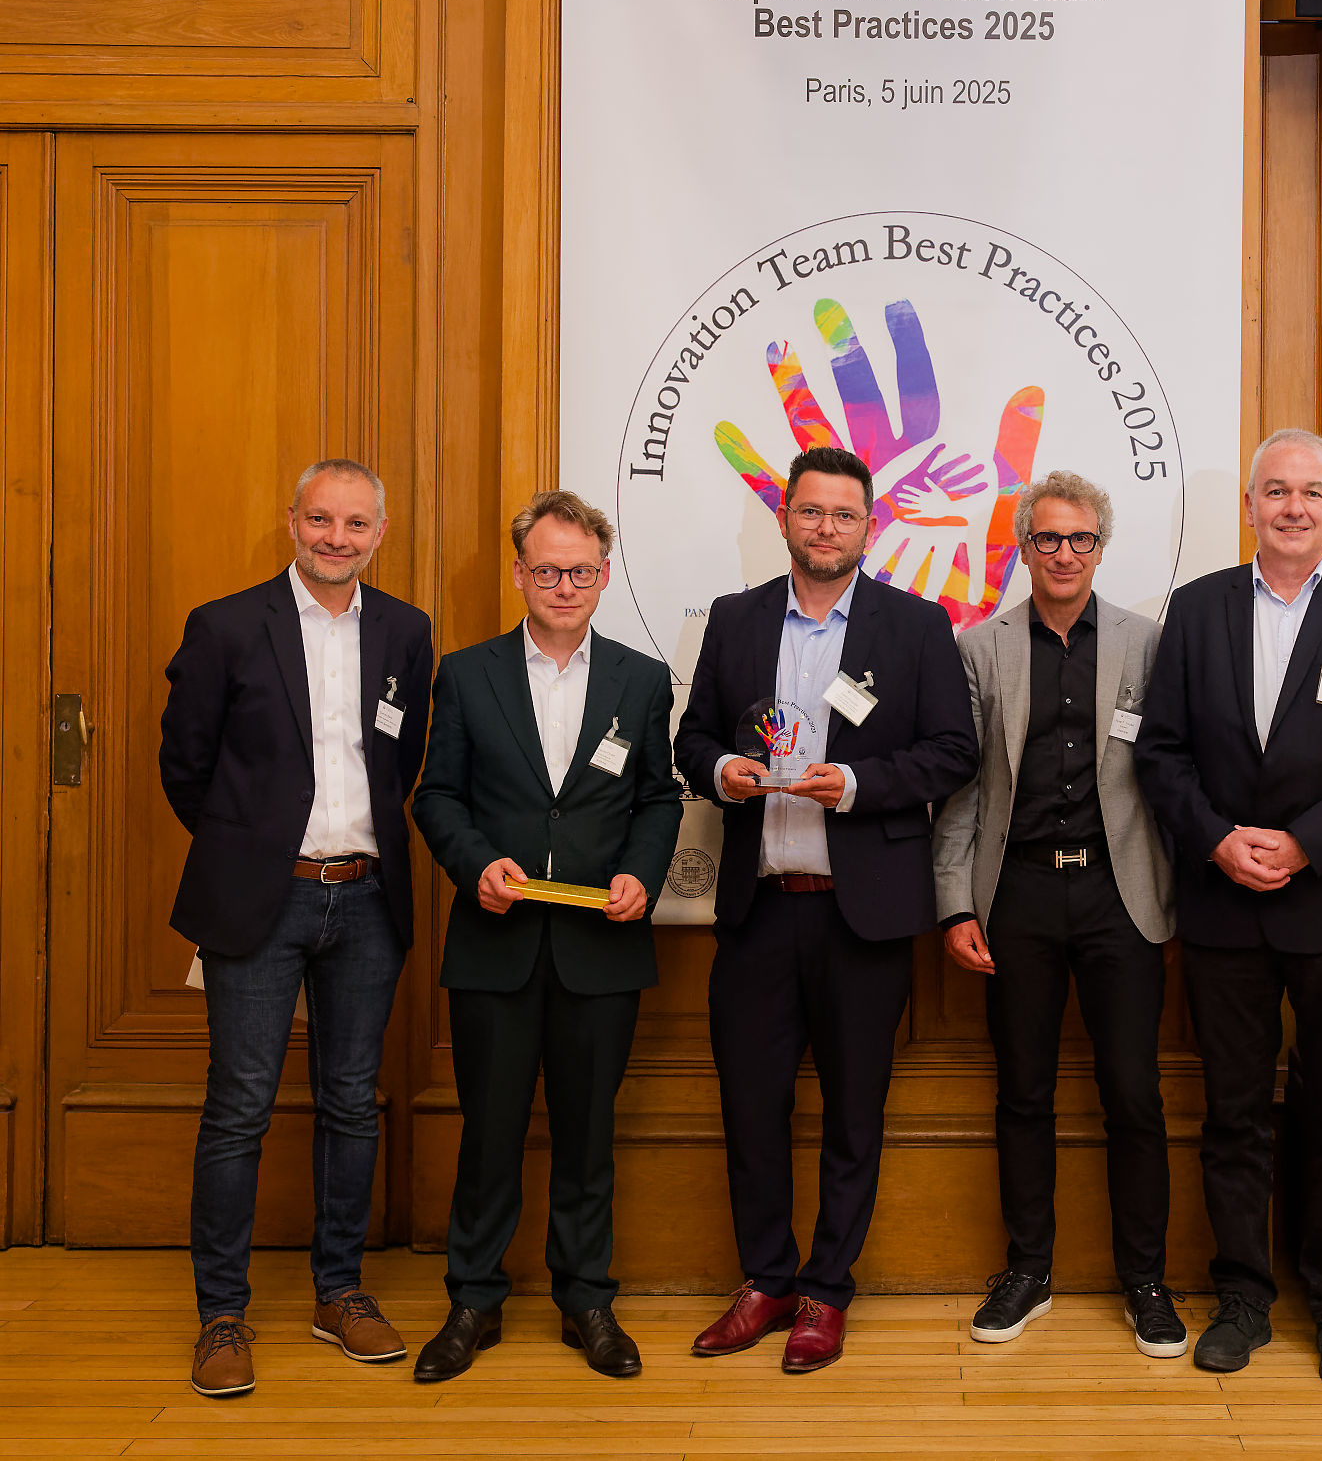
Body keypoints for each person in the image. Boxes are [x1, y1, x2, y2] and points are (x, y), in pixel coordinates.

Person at [1133, 428, 1322, 1387]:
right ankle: (1243, 1297)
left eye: (1311, 491)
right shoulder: (1197, 608)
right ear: (1250, 508)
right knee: (1232, 1114)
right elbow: (1160, 752)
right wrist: (1218, 840)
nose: (1293, 506)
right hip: (1223, 903)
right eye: (1276, 490)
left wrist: (1306, 843)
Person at [675, 445, 978, 1373]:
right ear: (785, 518)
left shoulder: (916, 626)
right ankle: (766, 1281)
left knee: (853, 1114)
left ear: (869, 527)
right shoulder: (734, 619)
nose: (826, 528)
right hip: (759, 910)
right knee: (751, 1108)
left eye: (845, 514)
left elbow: (953, 751)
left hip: (863, 915)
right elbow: (692, 737)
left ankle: (826, 1292)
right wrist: (719, 769)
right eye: (811, 511)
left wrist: (852, 783)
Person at [160, 458, 433, 1398]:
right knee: (239, 1108)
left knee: (351, 1102)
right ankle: (221, 1314)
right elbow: (185, 767)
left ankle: (338, 1292)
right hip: (260, 899)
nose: (336, 539)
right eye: (322, 520)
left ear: (379, 534)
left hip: (367, 899)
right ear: (292, 522)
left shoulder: (406, 630)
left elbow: (401, 760)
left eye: (356, 524)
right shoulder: (227, 626)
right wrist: (251, 849)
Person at [409, 491, 682, 1383]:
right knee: (488, 1134)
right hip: (496, 942)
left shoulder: (642, 679)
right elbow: (436, 796)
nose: (565, 585)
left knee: (588, 1136)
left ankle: (587, 1300)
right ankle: (473, 1301)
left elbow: (656, 800)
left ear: (603, 577)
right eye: (548, 570)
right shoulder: (467, 673)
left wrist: (642, 872)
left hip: (601, 946)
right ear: (520, 573)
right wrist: (472, 863)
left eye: (582, 571)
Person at [932, 470, 1183, 1356]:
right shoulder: (979, 648)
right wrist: (954, 901)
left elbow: (1174, 774)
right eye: (1048, 538)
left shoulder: (1149, 644)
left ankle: (1145, 1281)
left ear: (1101, 548)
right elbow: (962, 788)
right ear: (1025, 548)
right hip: (1020, 894)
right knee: (1023, 1093)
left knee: (1134, 1094)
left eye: (1080, 539)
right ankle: (1028, 1271)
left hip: (1123, 893)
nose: (1064, 553)